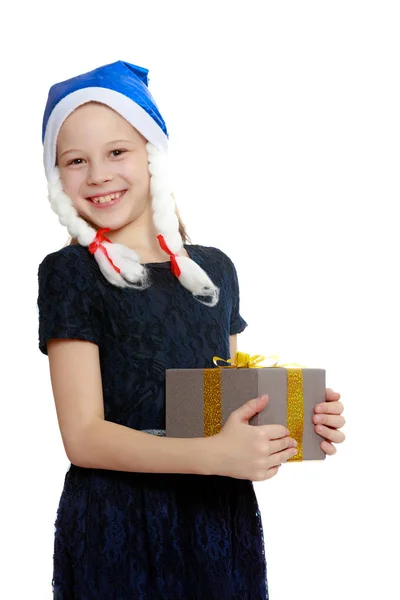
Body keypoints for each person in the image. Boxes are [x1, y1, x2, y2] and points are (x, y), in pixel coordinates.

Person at [37, 60, 346, 599]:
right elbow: (83, 438)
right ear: (57, 178)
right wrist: (215, 457)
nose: (99, 175)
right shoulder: (70, 275)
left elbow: (221, 408)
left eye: (117, 152)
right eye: (75, 160)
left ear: (153, 155)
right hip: (119, 525)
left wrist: (295, 422)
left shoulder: (215, 271)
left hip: (215, 524)